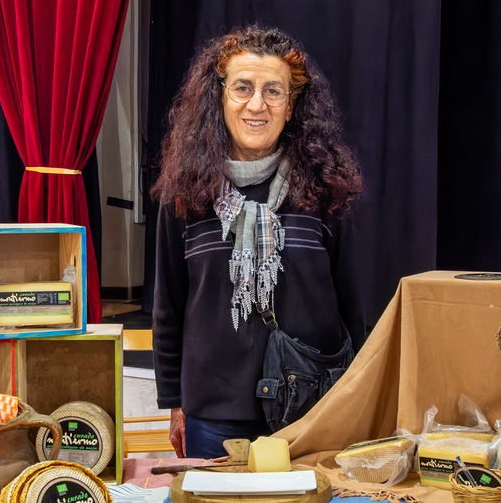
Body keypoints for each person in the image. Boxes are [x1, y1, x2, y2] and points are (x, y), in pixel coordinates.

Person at [152, 25, 365, 459]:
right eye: (243, 88)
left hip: (311, 410)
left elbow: (353, 308)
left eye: (273, 91)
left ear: (292, 105)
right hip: (213, 415)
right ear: (219, 97)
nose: (256, 104)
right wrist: (175, 403)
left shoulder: (324, 192)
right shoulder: (186, 195)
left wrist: (355, 401)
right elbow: (168, 308)